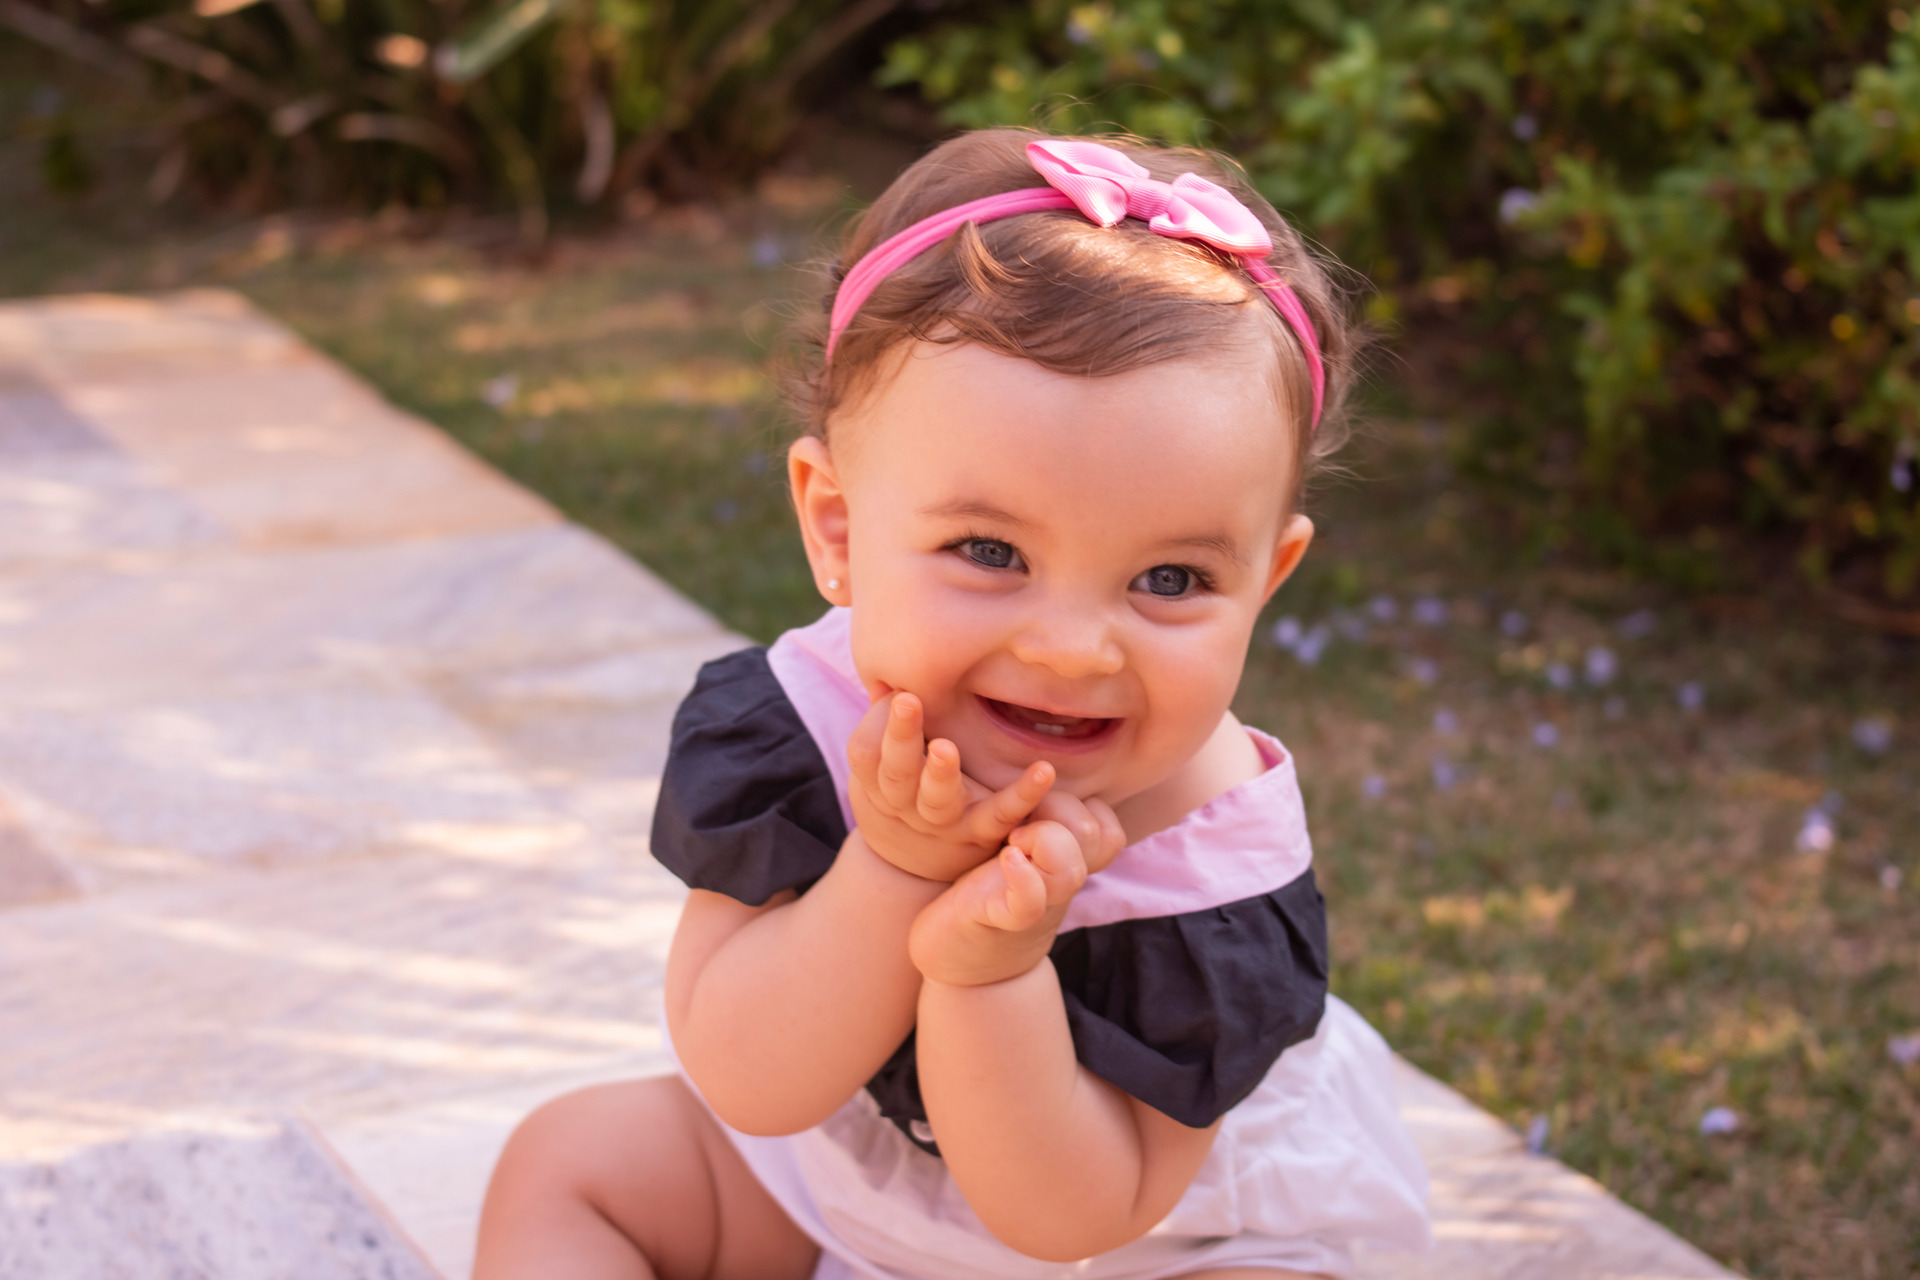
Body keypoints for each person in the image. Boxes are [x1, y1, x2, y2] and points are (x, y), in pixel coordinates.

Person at [474, 128, 1430, 1280]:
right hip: (843, 1181)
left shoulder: (1213, 864)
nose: (1072, 649)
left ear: (1266, 581)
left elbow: (1077, 1214)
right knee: (572, 1162)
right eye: (989, 550)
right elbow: (747, 1077)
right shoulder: (806, 720)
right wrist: (893, 867)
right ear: (837, 527)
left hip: (1157, 1241)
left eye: (1170, 579)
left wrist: (992, 970)